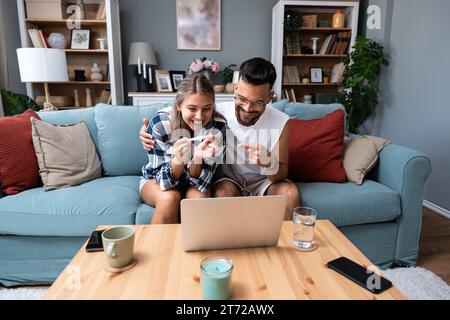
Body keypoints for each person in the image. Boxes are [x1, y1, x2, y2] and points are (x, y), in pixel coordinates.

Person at [140, 58, 300, 220]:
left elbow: (282, 173)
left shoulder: (280, 121)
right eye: (242, 99)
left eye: (257, 102)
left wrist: (269, 163)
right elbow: (184, 106)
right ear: (236, 89)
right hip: (229, 181)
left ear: (269, 97)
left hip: (264, 182)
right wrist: (148, 128)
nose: (247, 108)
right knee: (223, 193)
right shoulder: (217, 113)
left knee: (290, 193)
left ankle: (285, 244)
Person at [140, 74, 227, 224]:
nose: (199, 116)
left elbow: (201, 183)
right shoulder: (160, 124)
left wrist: (197, 158)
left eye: (207, 108)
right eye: (192, 108)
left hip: (195, 182)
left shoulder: (217, 128)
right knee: (169, 198)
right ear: (179, 105)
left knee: (199, 198)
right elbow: (163, 182)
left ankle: (196, 246)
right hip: (157, 179)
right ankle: (160, 247)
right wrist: (178, 161)